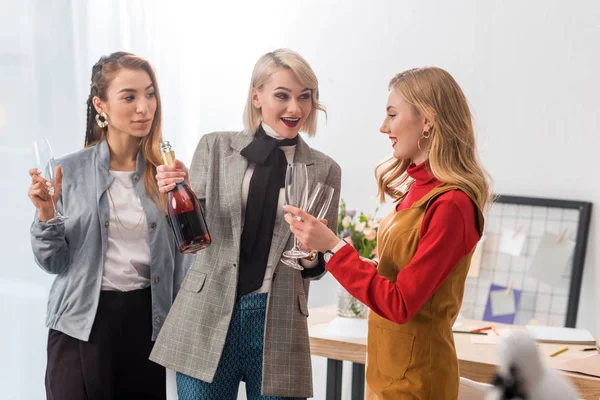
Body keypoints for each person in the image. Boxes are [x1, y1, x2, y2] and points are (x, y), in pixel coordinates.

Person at [284, 66, 493, 399]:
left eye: (392, 114)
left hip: (419, 382)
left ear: (427, 120)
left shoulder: (452, 205)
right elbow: (390, 278)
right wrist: (326, 248)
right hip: (387, 374)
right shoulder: (418, 190)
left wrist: (335, 248)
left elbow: (399, 303)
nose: (384, 127)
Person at [149, 48, 341, 400]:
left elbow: (317, 264)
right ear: (256, 96)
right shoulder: (215, 148)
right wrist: (175, 193)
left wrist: (312, 253)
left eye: (305, 97)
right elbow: (191, 233)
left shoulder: (326, 169)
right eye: (282, 95)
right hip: (208, 310)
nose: (294, 109)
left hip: (278, 317)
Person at [28, 51, 190, 400]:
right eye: (129, 97)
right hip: (80, 327)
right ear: (101, 105)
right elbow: (52, 262)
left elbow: (189, 258)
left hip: (145, 325)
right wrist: (45, 215)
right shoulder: (66, 172)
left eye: (149, 94)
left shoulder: (168, 174)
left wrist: (186, 197)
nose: (144, 108)